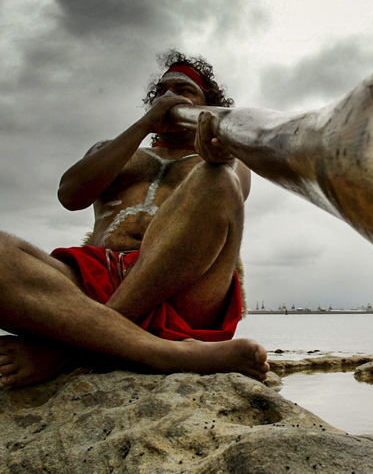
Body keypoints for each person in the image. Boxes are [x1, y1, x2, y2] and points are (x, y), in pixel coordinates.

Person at [0, 51, 269, 387]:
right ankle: (167, 353)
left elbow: (228, 194)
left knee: (218, 179)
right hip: (91, 285)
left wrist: (218, 154)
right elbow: (70, 195)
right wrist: (143, 126)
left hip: (183, 289)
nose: (169, 96)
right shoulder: (115, 150)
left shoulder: (225, 159)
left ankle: (70, 350)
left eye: (184, 90)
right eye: (161, 91)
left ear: (207, 105)